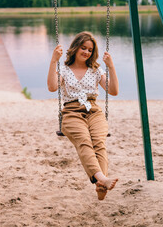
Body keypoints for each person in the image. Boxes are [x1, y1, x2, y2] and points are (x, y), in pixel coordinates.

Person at [47, 31, 119, 200]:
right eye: (83, 48)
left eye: (89, 50)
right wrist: (53, 61)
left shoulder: (96, 69)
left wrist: (111, 66)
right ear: (75, 48)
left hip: (93, 110)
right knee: (84, 141)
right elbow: (52, 87)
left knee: (99, 143)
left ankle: (101, 184)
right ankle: (102, 179)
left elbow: (114, 91)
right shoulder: (63, 70)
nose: (86, 52)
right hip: (71, 112)